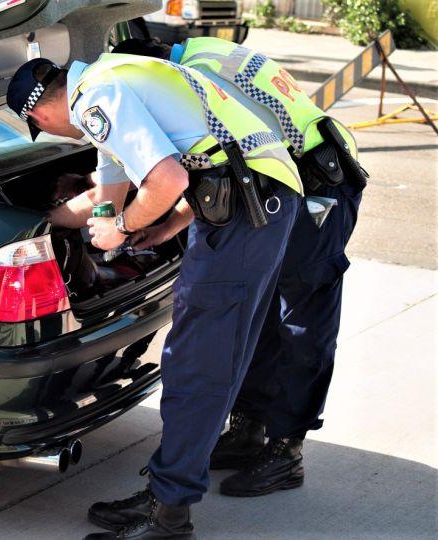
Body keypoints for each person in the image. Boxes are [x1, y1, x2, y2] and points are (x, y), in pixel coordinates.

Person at [6, 49, 302, 539]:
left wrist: (122, 229)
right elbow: (111, 193)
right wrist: (52, 222)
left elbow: (167, 181)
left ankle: (167, 515)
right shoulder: (110, 76)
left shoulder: (95, 100)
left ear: (38, 115)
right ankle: (168, 491)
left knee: (195, 364)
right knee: (210, 359)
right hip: (253, 201)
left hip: (244, 214)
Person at [112, 37, 366, 497]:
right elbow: (231, 159)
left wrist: (163, 216)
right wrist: (171, 225)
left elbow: (241, 158)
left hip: (318, 181)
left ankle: (286, 448)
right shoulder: (199, 53)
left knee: (300, 320)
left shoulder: (196, 75)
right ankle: (249, 428)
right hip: (287, 179)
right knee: (260, 309)